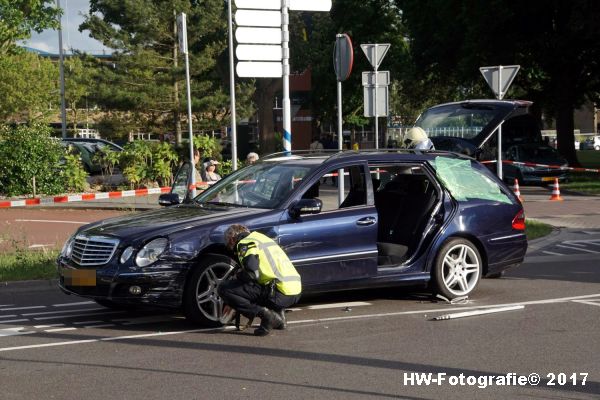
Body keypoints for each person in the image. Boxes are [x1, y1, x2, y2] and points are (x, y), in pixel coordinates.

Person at [218, 224, 302, 336]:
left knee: (225, 289)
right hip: (294, 291)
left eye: (229, 244)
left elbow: (252, 274)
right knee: (262, 283)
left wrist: (237, 278)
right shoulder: (261, 238)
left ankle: (267, 316)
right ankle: (280, 319)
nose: (231, 248)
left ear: (232, 239)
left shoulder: (245, 243)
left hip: (278, 293)